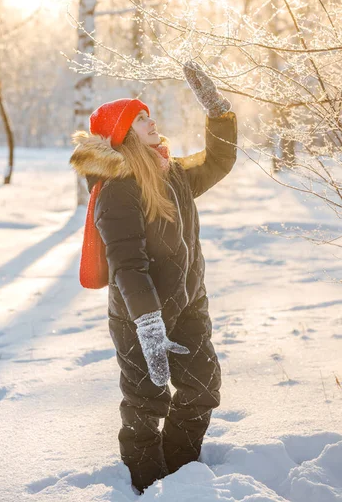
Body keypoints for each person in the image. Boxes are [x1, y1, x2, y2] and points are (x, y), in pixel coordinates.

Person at [70, 61, 238, 494]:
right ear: (123, 133)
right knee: (146, 404)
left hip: (188, 306)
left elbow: (219, 160)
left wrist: (217, 112)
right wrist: (148, 324)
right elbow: (129, 265)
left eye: (149, 115)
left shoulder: (174, 172)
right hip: (141, 318)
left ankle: (181, 478)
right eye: (141, 118)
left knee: (201, 388)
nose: (152, 121)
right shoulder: (118, 190)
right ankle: (146, 485)